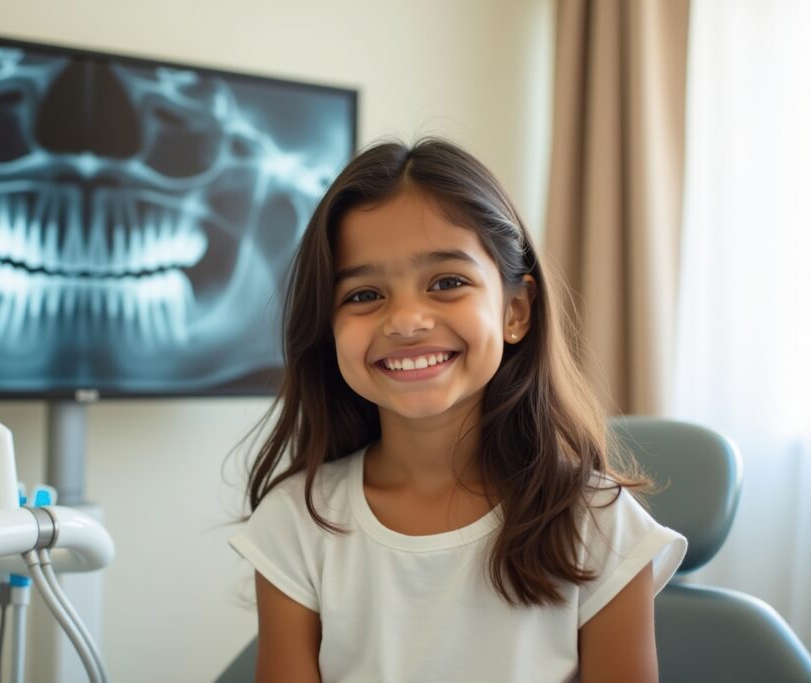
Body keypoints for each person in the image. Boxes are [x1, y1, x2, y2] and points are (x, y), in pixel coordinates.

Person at [229, 138, 686, 683]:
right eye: (364, 294)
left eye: (447, 283)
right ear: (328, 328)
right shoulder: (296, 523)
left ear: (515, 310)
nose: (405, 321)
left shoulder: (599, 524)